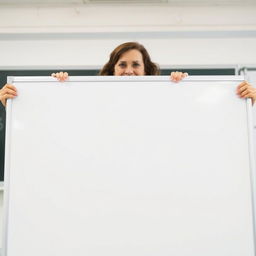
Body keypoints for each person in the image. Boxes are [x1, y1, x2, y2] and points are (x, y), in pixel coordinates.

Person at [0, 42, 256, 106]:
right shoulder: (90, 98)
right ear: (112, 69)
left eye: (136, 65)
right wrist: (51, 90)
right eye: (122, 65)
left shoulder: (168, 96)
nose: (129, 71)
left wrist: (248, 99)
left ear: (147, 70)